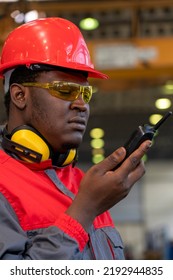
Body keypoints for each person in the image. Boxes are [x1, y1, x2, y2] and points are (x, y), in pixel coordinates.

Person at [0, 17, 151, 260]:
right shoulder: (90, 196)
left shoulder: (85, 184)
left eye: (85, 92)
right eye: (65, 90)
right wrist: (85, 210)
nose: (81, 105)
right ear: (19, 95)